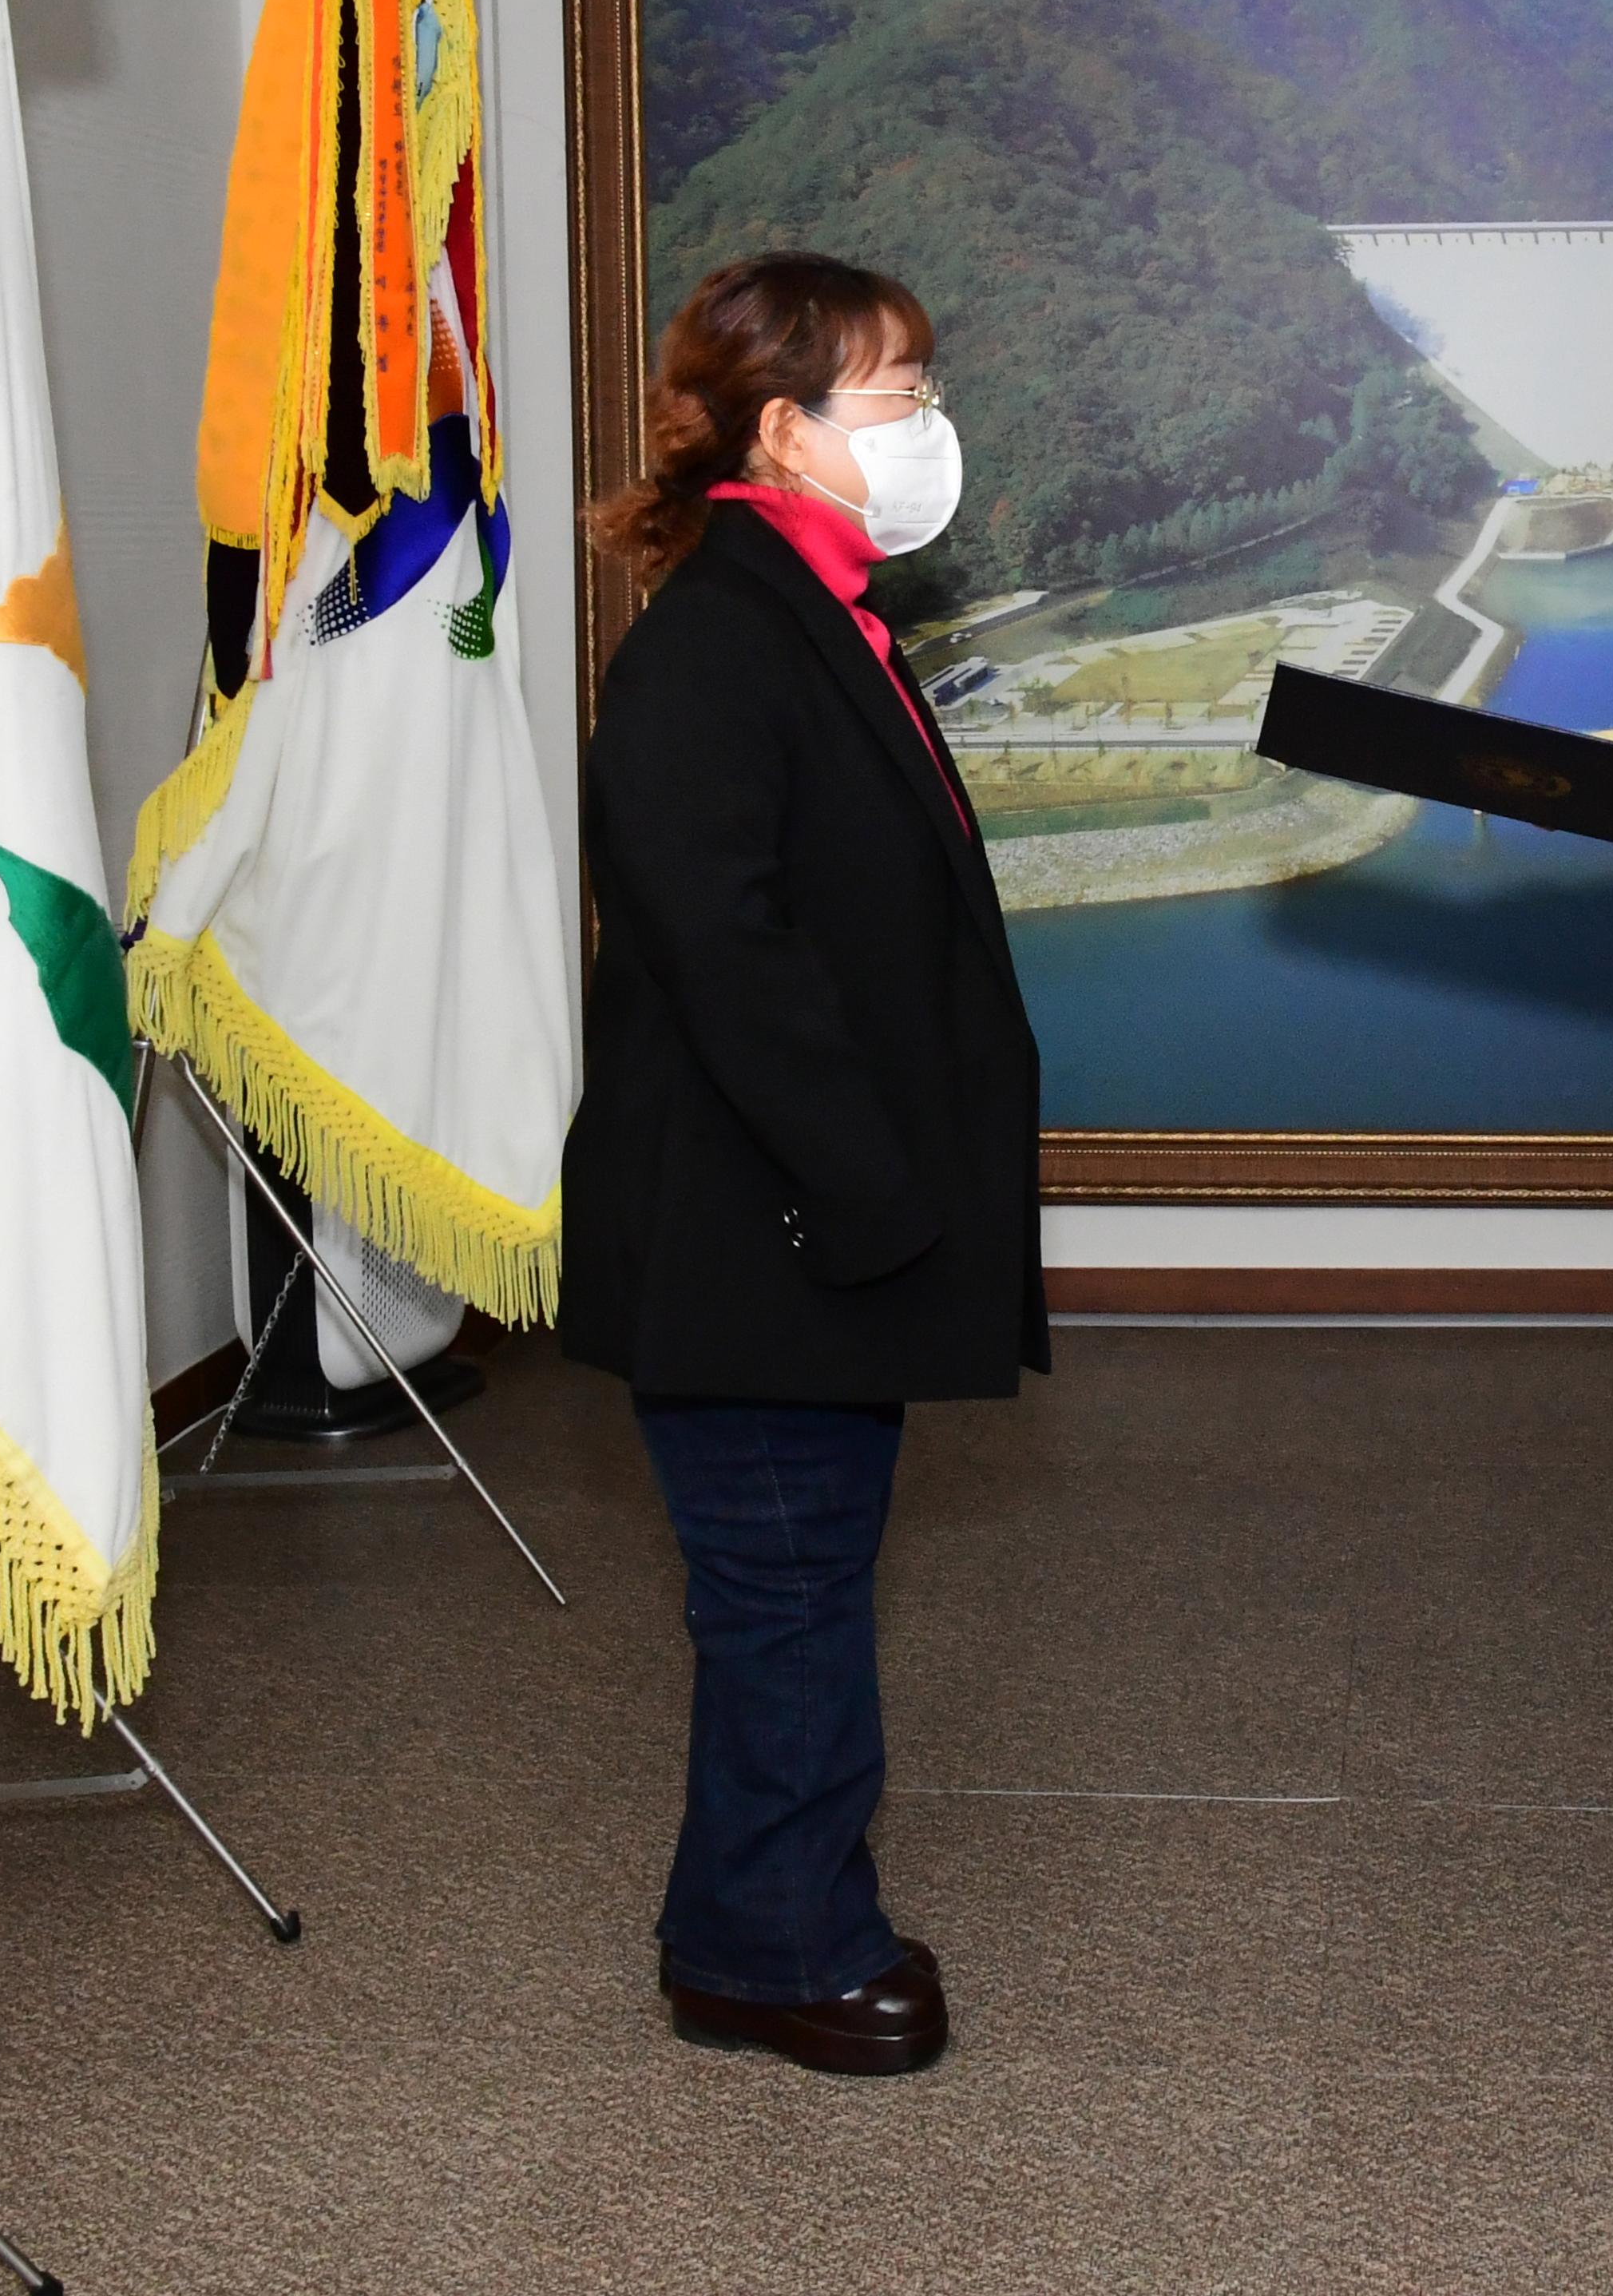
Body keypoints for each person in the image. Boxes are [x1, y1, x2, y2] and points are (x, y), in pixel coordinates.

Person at [563, 250, 1048, 2077]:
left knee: (804, 1581)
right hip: (754, 1233)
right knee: (783, 1594)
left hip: (806, 1222)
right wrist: (874, 1195)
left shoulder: (815, 605)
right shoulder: (716, 638)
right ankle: (770, 1952)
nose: (930, 422)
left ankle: (750, 1914)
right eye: (900, 390)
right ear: (788, 427)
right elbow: (728, 958)